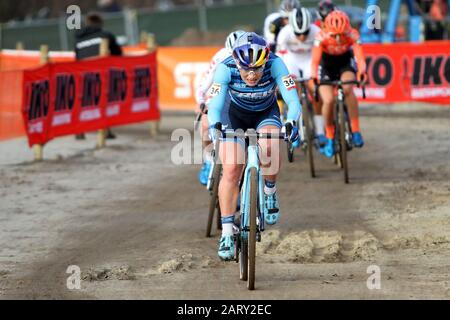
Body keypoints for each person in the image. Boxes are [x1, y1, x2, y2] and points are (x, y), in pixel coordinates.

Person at [207, 32, 301, 261]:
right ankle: (228, 232)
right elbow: (215, 105)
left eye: (257, 69)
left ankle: (269, 190)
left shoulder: (276, 64)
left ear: (265, 62)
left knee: (269, 146)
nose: (251, 75)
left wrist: (292, 121)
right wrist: (214, 126)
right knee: (231, 167)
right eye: (246, 69)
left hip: (265, 112)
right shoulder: (224, 68)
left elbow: (292, 100)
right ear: (236, 62)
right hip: (233, 114)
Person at [311, 10, 367, 158]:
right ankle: (329, 136)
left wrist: (362, 71)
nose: (337, 38)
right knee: (328, 100)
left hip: (344, 63)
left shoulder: (353, 34)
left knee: (348, 88)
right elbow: (315, 61)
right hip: (326, 65)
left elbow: (360, 57)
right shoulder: (320, 36)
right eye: (334, 35)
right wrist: (313, 76)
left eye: (341, 35)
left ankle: (355, 130)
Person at [196, 30, 246, 186]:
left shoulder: (253, 56)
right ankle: (209, 161)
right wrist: (201, 103)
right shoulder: (220, 57)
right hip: (219, 93)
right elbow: (203, 87)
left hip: (241, 97)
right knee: (205, 123)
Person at [276, 7, 326, 147]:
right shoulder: (284, 33)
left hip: (309, 60)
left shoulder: (316, 31)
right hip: (291, 61)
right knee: (293, 92)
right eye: (298, 33)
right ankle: (294, 126)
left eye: (305, 32)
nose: (302, 37)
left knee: (315, 93)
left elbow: (321, 56)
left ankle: (320, 131)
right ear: (292, 28)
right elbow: (279, 57)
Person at [74, 12, 122, 140]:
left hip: (82, 73)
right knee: (104, 99)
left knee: (84, 102)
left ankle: (80, 130)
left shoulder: (79, 39)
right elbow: (118, 54)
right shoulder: (106, 35)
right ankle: (105, 130)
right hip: (101, 73)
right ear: (100, 23)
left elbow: (77, 57)